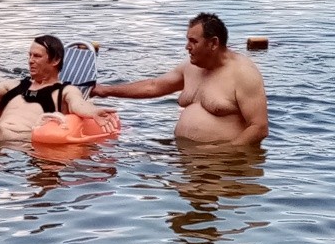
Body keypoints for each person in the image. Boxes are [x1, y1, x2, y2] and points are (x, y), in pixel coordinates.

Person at [92, 13, 268, 146]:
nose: (187, 47)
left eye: (193, 41)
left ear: (213, 43)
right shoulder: (191, 67)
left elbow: (259, 128)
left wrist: (224, 151)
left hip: (221, 164)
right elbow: (153, 86)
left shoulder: (243, 73)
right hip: (184, 155)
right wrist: (105, 90)